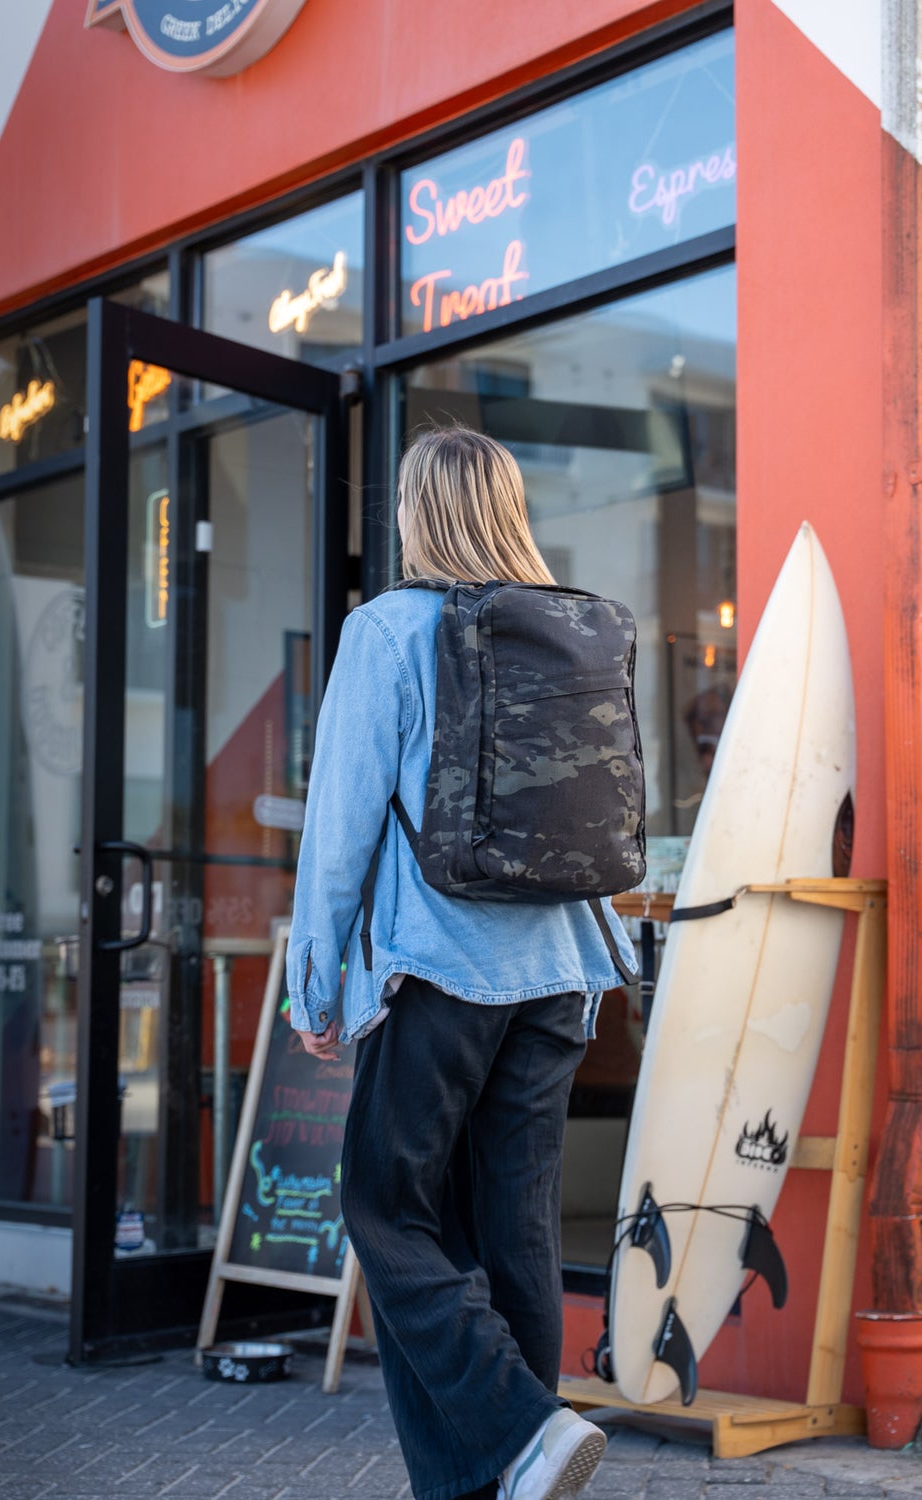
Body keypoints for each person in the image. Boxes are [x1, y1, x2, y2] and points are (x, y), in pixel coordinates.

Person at [286, 428, 638, 1500]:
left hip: (437, 973)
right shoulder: (576, 631)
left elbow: (338, 826)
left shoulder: (389, 631)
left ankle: (523, 1429)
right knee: (513, 1236)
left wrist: (316, 985)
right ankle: (520, 1468)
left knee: (389, 1214)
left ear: (414, 512)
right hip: (564, 973)